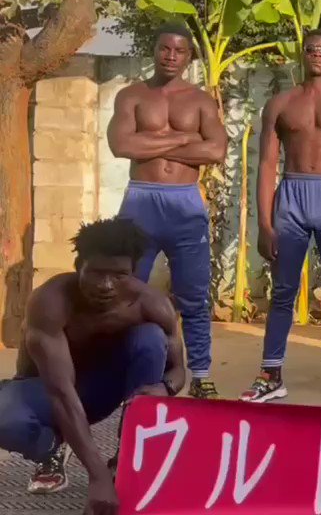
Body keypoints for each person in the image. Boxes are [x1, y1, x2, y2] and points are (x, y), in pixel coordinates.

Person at [0, 218, 185, 512]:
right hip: (50, 389)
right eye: (97, 273)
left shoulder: (153, 305)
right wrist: (96, 477)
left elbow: (178, 370)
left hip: (105, 388)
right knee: (5, 418)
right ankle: (52, 448)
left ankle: (126, 459)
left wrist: (165, 387)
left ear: (133, 272)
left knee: (151, 338)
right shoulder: (50, 302)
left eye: (119, 275)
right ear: (79, 266)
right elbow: (61, 393)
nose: (106, 286)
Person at [240, 29, 321, 405]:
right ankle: (270, 374)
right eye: (311, 49)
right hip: (291, 198)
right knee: (283, 291)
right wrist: (264, 223)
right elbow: (267, 165)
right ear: (303, 54)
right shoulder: (281, 104)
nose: (317, 54)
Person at [106, 26, 227, 399]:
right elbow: (120, 145)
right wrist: (185, 139)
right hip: (141, 202)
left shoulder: (201, 101)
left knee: (194, 295)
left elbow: (215, 151)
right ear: (155, 50)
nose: (171, 56)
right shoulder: (132, 96)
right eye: (164, 48)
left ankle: (201, 374)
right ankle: (121, 369)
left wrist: (153, 144)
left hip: (185, 204)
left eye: (179, 51)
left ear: (189, 57)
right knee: (126, 290)